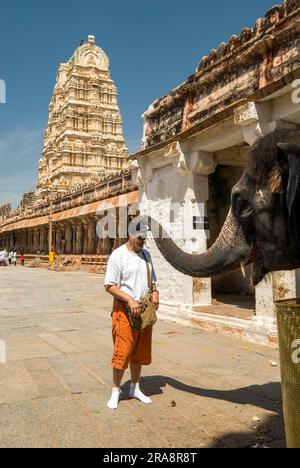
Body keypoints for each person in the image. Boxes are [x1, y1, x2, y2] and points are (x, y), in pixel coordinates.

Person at [104, 221, 159, 410]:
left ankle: (135, 388)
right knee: (122, 352)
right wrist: (129, 299)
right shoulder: (118, 256)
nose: (143, 241)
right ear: (130, 235)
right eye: (140, 238)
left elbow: (152, 280)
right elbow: (109, 285)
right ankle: (115, 391)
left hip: (143, 311)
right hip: (124, 312)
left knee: (139, 352)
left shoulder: (146, 255)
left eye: (145, 237)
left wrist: (155, 293)